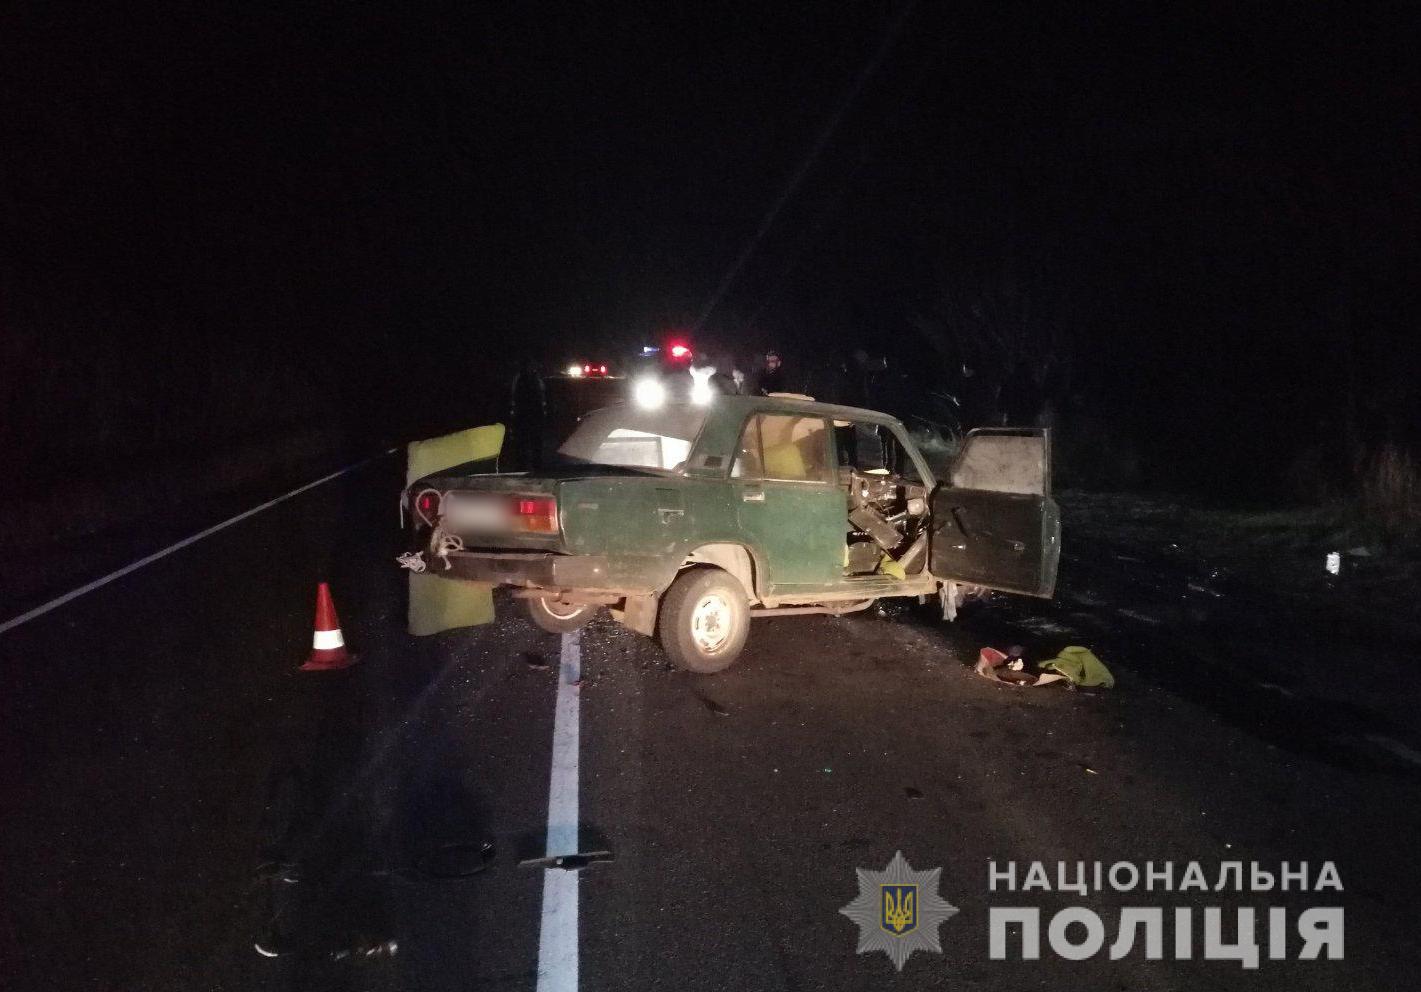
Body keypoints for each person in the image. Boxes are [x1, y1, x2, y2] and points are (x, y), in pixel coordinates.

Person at [509, 356, 546, 470]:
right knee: (525, 443)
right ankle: (524, 465)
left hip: (530, 415)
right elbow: (514, 397)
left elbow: (542, 397)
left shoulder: (532, 379)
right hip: (525, 415)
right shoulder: (523, 379)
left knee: (532, 443)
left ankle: (533, 465)